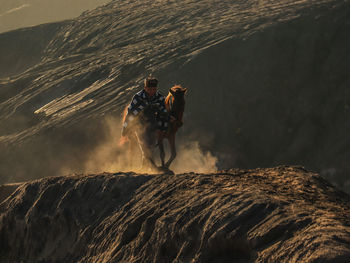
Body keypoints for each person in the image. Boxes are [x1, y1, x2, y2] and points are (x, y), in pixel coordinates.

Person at [121, 75, 168, 169]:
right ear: (145, 88)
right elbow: (130, 112)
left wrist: (165, 124)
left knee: (151, 145)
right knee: (145, 145)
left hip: (152, 124)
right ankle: (153, 166)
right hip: (139, 125)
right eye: (149, 89)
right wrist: (125, 127)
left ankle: (144, 168)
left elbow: (164, 112)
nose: (152, 91)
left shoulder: (159, 97)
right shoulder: (138, 97)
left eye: (154, 89)